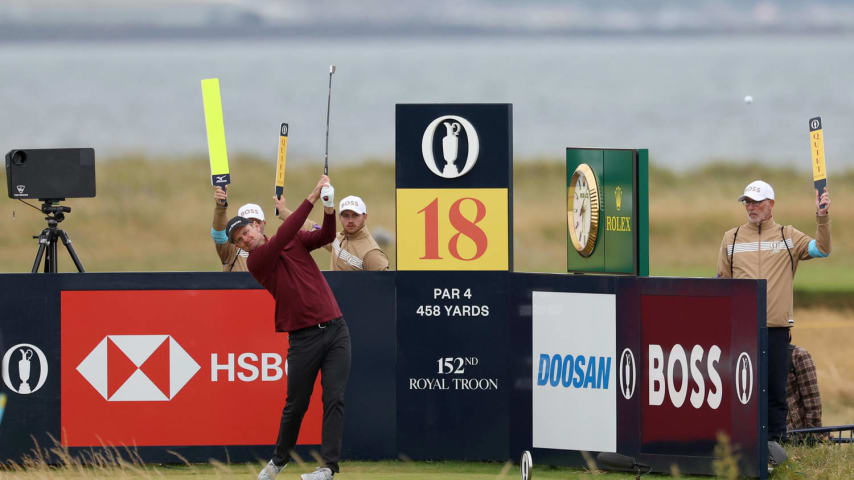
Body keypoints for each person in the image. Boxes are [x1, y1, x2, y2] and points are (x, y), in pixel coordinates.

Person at [227, 175, 349, 480]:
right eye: (239, 240)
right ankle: (279, 461)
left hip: (336, 330)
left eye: (245, 232)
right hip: (303, 338)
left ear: (255, 226)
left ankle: (328, 468)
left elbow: (325, 237)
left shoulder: (291, 238)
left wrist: (329, 207)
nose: (245, 240)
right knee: (295, 405)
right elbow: (286, 232)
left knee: (334, 398)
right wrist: (311, 195)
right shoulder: (257, 260)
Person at [716, 180, 831, 444]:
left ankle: (774, 446)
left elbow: (822, 249)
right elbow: (722, 282)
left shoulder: (787, 236)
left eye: (757, 202)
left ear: (771, 204)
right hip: (741, 329)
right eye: (747, 202)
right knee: (741, 389)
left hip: (776, 328)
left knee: (775, 392)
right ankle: (742, 444)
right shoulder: (731, 237)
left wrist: (822, 217)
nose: (751, 207)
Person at [211, 185, 319, 272]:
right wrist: (220, 208)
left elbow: (316, 233)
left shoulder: (276, 246)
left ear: (261, 224)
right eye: (247, 224)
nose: (252, 226)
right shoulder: (231, 251)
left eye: (256, 222)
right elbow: (219, 235)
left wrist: (284, 212)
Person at [325, 195, 389, 271]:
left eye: (355, 215)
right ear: (339, 217)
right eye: (346, 215)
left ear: (365, 217)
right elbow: (313, 228)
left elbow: (385, 281)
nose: (350, 220)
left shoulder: (372, 253)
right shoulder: (337, 239)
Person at [786, 344, 823, 432]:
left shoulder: (797, 355)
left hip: (791, 434)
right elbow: (812, 398)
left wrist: (814, 432)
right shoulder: (798, 355)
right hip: (795, 435)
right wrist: (815, 433)